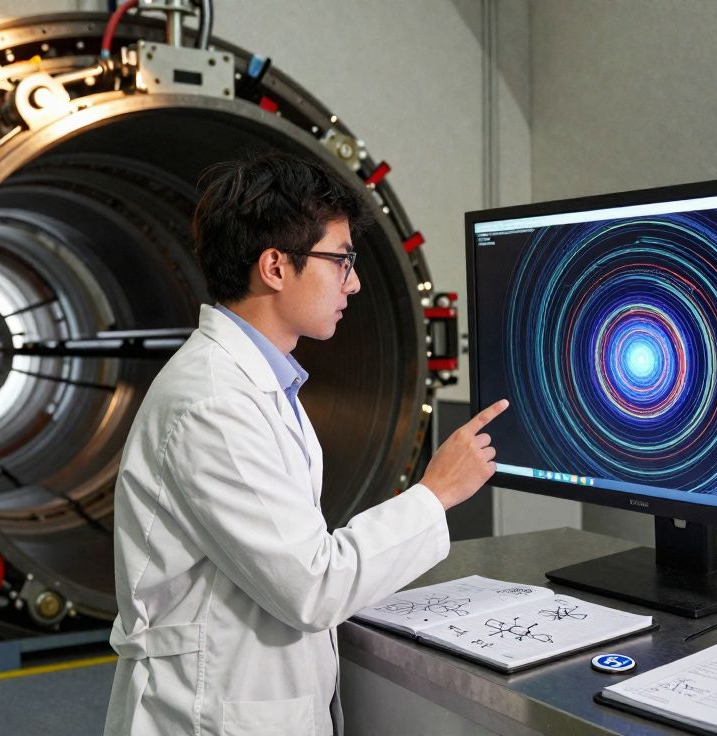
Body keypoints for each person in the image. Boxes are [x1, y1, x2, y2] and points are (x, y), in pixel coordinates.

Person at [103, 151, 508, 736]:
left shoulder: (259, 381)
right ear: (274, 266)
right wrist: (435, 493)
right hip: (204, 715)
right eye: (341, 261)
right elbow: (312, 586)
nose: (357, 281)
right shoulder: (214, 403)